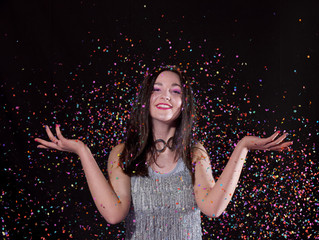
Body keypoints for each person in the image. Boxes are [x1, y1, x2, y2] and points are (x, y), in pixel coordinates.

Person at [34, 65, 292, 239]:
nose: (165, 95)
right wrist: (82, 151)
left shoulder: (195, 153)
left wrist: (243, 147)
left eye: (175, 91)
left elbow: (212, 208)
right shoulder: (123, 154)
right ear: (146, 100)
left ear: (183, 105)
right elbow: (114, 214)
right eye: (156, 89)